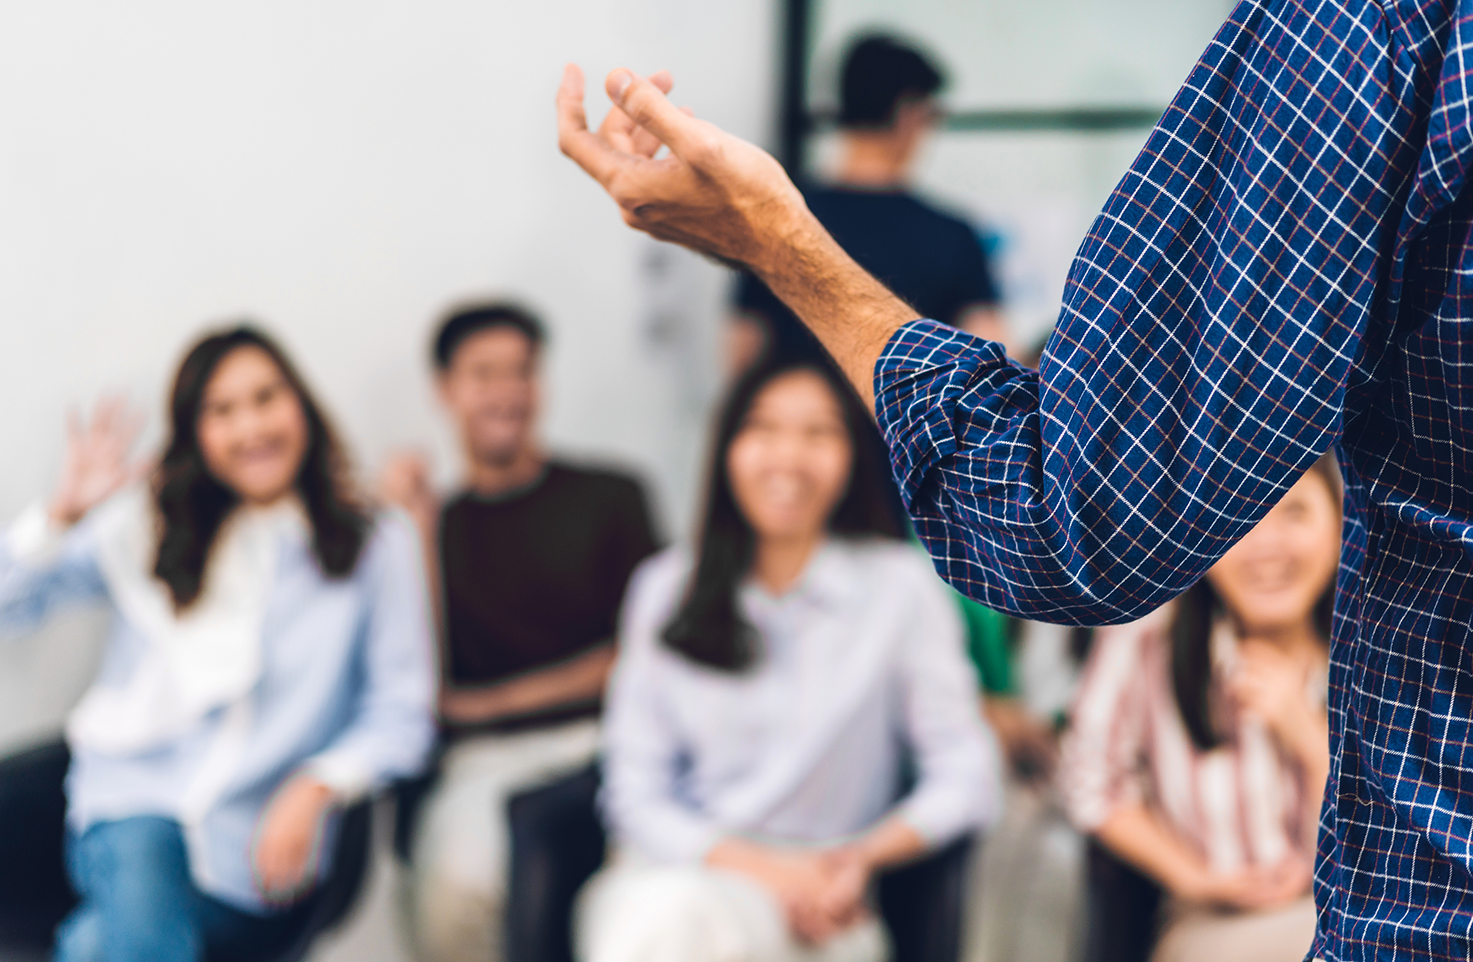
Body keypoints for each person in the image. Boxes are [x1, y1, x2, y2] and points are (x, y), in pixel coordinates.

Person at [555, 1, 1473, 950]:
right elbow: (1019, 399)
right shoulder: (950, 238)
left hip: (967, 515)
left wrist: (780, 247)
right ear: (915, 116)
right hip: (951, 524)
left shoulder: (1383, 27)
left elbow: (1070, 507)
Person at [0, 327, 436, 962]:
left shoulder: (377, 543)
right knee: (139, 882)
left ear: (301, 405)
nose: (250, 427)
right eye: (221, 411)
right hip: (129, 817)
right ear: (196, 433)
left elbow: (403, 712)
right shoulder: (148, 526)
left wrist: (317, 784)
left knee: (94, 946)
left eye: (266, 398)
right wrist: (61, 515)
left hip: (259, 863)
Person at [575, 357, 1000, 962]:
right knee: (670, 921)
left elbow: (969, 774)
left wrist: (858, 859)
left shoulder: (900, 589)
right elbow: (634, 794)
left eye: (818, 432)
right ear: (727, 447)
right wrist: (770, 872)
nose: (789, 458)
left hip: (827, 910)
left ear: (854, 453)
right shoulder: (666, 588)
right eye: (764, 430)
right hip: (680, 879)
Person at [378, 302, 661, 962]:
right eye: (484, 374)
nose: (507, 391)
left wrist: (485, 704)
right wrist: (412, 532)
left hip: (610, 745)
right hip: (485, 765)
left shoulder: (612, 495)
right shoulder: (432, 526)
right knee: (456, 888)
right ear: (445, 392)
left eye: (523, 371)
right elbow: (418, 679)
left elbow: (647, 654)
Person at [1063, 458, 1340, 962]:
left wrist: (1305, 732)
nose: (1267, 544)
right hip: (1209, 926)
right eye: (1243, 518)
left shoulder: (1375, 652)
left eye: (1294, 513)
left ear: (1342, 525)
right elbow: (1090, 780)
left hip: (1341, 917)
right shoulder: (1150, 637)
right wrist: (1194, 878)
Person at [727, 33, 1006, 376]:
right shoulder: (952, 235)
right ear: (910, 114)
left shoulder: (781, 217)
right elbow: (989, 366)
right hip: (903, 427)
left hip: (807, 423)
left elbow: (744, 354)